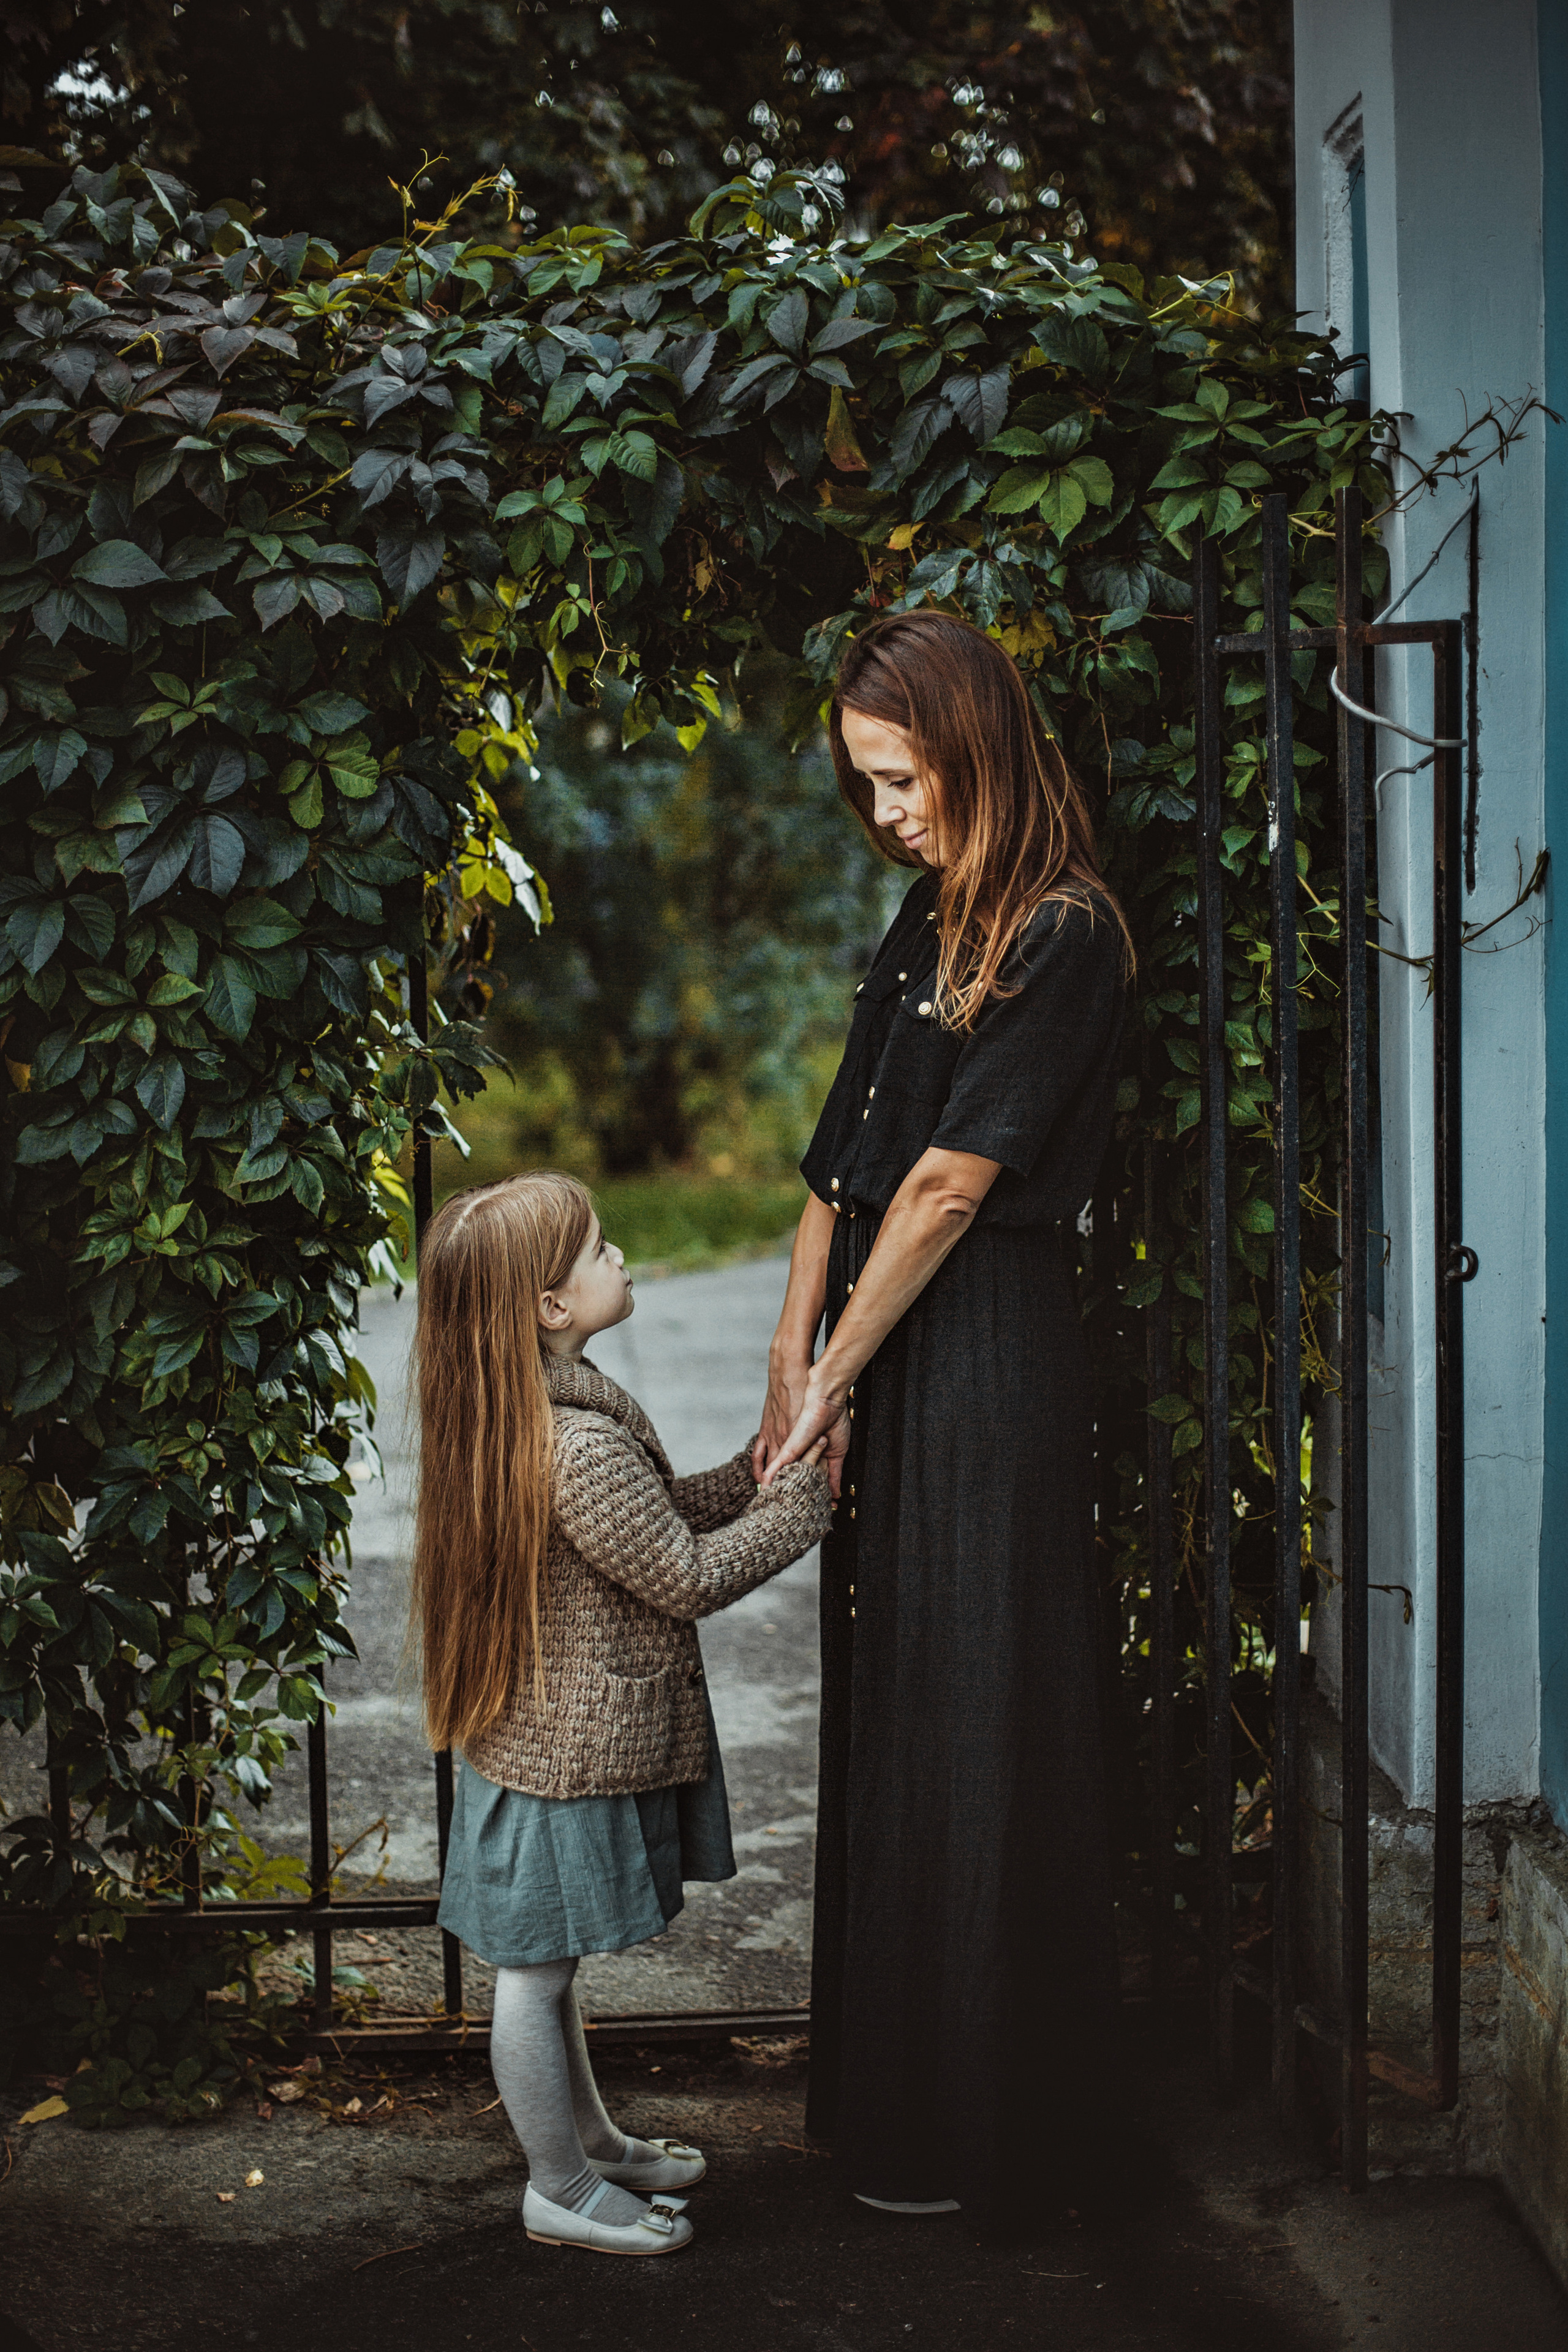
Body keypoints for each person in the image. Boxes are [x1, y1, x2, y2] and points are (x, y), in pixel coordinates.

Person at [758, 608, 1131, 2224]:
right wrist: (796, 1350)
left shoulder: (1066, 932)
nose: (888, 814)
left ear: (973, 749)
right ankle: (895, 2110)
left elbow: (951, 1182)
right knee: (896, 1701)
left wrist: (840, 1370)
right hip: (889, 1340)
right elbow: (845, 1164)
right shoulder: (929, 919)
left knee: (975, 1717)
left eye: (903, 779)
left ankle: (987, 2138)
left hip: (983, 1351)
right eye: (868, 787)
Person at [410, 1170, 832, 2258]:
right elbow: (684, 1575)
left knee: (547, 1970)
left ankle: (588, 2143)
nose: (622, 1258)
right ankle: (557, 2185)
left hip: (544, 1741)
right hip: (565, 1757)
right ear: (549, 1308)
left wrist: (751, 1473)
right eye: (600, 1250)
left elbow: (651, 1521)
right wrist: (810, 1503)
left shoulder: (547, 1403)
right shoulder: (573, 1443)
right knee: (535, 1975)